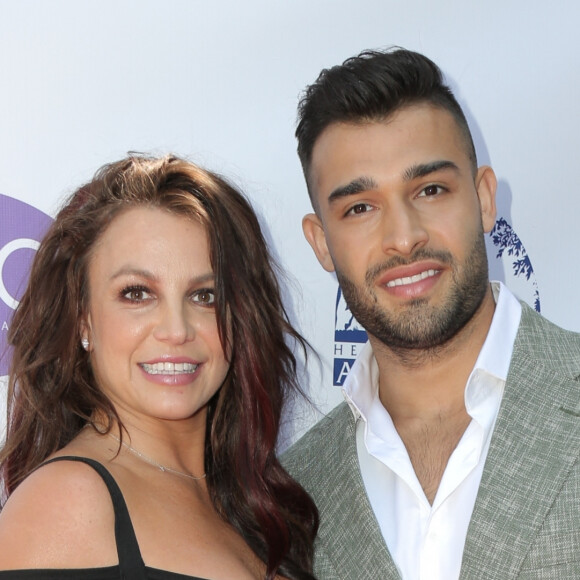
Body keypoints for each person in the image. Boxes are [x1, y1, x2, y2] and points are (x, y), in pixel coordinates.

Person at [282, 48, 580, 579]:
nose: (404, 237)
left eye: (431, 189)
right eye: (360, 208)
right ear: (320, 242)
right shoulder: (293, 493)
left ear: (486, 199)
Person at [0, 154, 318, 580]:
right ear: (83, 319)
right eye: (136, 293)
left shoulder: (251, 505)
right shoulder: (68, 502)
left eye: (205, 296)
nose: (176, 329)